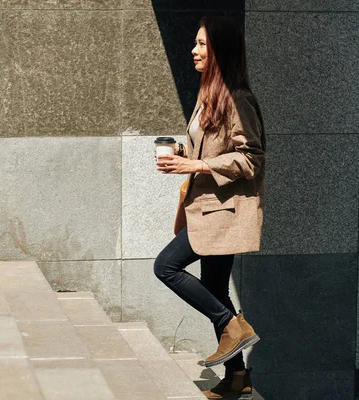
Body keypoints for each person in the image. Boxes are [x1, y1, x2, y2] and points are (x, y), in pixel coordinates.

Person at [154, 15, 266, 399]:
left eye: (202, 44)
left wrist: (196, 164)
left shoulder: (239, 99)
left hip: (223, 213)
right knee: (215, 284)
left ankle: (231, 324)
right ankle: (238, 378)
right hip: (205, 208)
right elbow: (212, 150)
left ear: (219, 50)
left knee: (166, 266)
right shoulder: (209, 94)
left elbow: (251, 159)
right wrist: (183, 155)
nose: (194, 50)